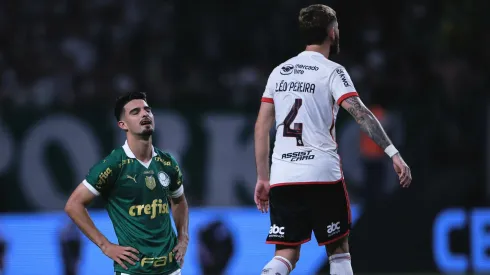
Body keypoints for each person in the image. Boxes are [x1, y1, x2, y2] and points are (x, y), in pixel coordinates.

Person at [254, 4, 412, 275]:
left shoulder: (279, 73)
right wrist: (393, 153)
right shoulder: (332, 71)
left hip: (284, 175)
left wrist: (263, 178)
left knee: (286, 252)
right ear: (331, 32)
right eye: (337, 26)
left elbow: (261, 128)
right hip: (321, 175)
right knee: (339, 252)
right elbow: (361, 114)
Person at [65, 92, 189, 275]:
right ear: (122, 125)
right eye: (135, 112)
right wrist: (105, 245)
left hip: (171, 269)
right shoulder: (114, 165)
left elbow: (179, 201)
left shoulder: (167, 162)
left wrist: (183, 237)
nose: (144, 114)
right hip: (133, 270)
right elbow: (73, 205)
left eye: (147, 110)